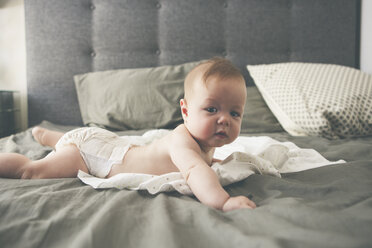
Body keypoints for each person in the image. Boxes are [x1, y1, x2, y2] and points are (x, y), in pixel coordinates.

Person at [0, 57, 256, 212]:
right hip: (92, 156)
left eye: (235, 113)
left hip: (107, 143)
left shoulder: (205, 144)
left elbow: (207, 164)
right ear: (185, 111)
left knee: (77, 141)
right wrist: (222, 202)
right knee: (32, 172)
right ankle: (56, 144)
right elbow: (197, 172)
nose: (224, 120)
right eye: (211, 109)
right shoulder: (182, 141)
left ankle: (54, 138)